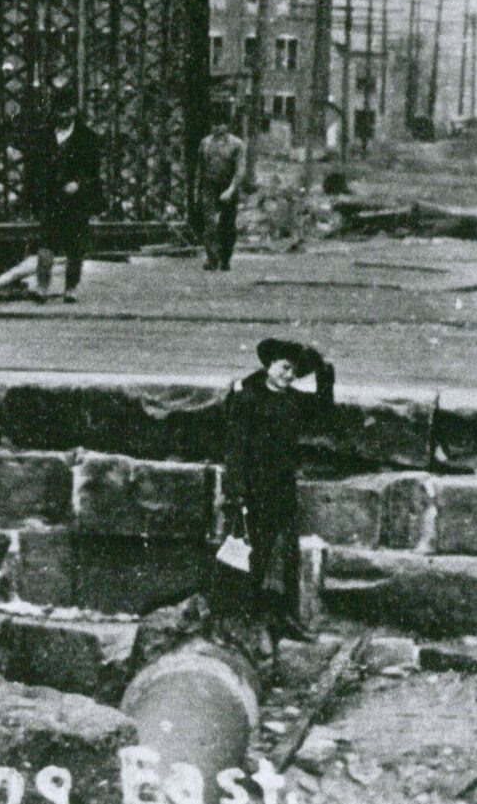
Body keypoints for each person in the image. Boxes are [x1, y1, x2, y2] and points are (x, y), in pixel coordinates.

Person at [222, 336, 333, 643]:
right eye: (284, 368)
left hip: (283, 489)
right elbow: (235, 448)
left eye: (294, 371)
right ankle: (245, 617)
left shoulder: (293, 400)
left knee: (286, 556)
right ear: (269, 367)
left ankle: (282, 617)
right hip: (254, 491)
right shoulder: (247, 399)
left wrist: (324, 372)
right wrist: (237, 492)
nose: (288, 375)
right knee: (251, 556)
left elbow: (324, 407)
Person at [24, 91, 106, 301]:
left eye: (68, 110)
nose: (64, 115)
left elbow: (93, 172)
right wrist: (32, 195)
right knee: (46, 243)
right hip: (51, 198)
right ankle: (42, 287)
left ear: (74, 111)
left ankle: (71, 288)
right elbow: (32, 169)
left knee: (75, 247)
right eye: (60, 110)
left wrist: (78, 183)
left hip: (76, 200)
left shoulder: (87, 138)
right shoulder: (43, 137)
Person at [197, 109, 248, 270]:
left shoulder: (236, 144)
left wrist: (231, 189)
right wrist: (198, 190)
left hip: (228, 185)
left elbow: (240, 169)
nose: (217, 128)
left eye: (220, 124)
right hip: (209, 186)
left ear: (226, 126)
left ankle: (225, 258)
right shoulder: (205, 143)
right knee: (210, 223)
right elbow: (201, 167)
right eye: (214, 125)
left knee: (228, 225)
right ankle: (212, 259)